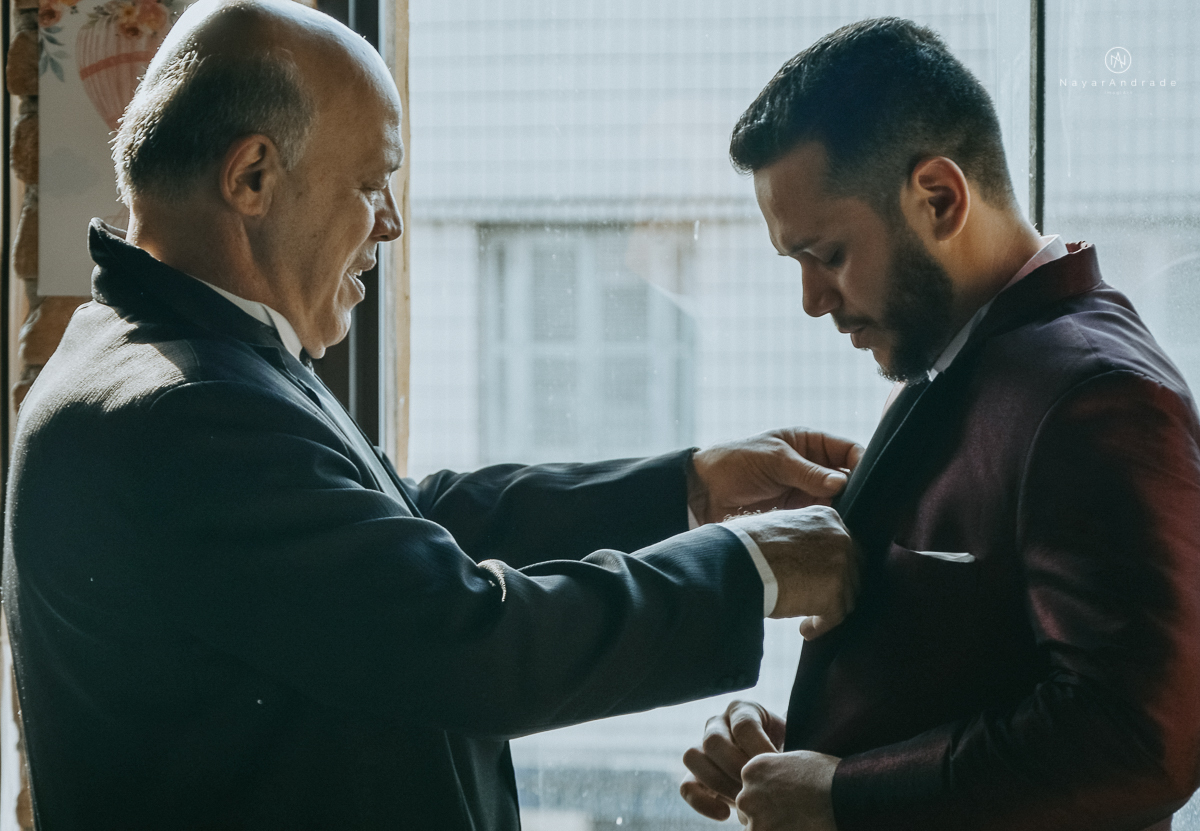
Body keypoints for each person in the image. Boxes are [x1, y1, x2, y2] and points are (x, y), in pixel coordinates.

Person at [2, 1, 865, 828]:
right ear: (253, 176)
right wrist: (750, 567)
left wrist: (687, 489)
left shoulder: (163, 350)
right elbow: (466, 642)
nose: (393, 224)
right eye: (372, 181)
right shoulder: (185, 410)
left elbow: (404, 523)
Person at [680, 17, 1200, 831]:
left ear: (939, 197)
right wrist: (806, 750)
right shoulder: (967, 361)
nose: (812, 300)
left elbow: (1134, 740)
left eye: (828, 255)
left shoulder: (1097, 399)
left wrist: (844, 792)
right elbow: (967, 677)